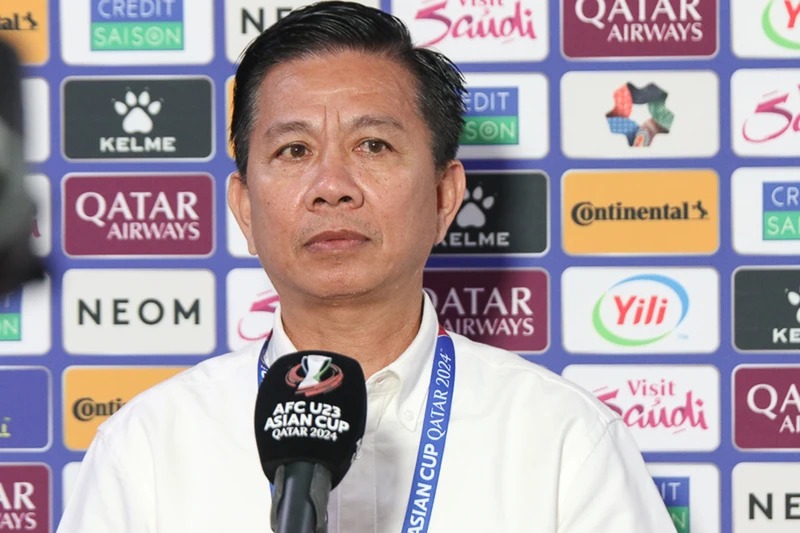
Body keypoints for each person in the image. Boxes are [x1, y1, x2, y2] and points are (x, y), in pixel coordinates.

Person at [58, 2, 677, 531]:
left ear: (444, 197)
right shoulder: (147, 447)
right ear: (245, 208)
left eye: (372, 145)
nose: (332, 186)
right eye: (294, 150)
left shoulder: (565, 439)